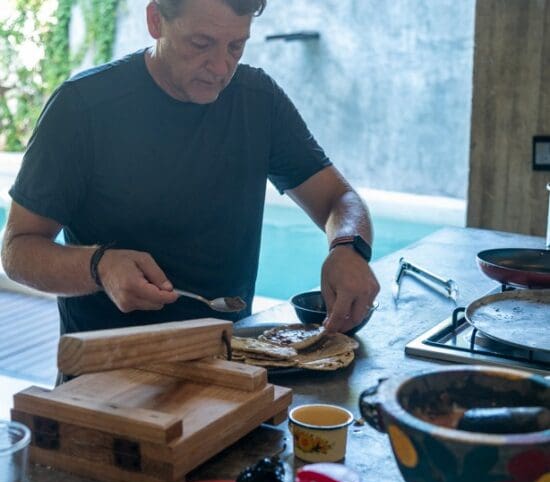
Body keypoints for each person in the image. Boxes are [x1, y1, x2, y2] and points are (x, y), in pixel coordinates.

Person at [1, 0, 379, 337]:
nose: (221, 67)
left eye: (236, 46)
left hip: (230, 362)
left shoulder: (258, 101)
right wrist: (99, 266)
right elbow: (17, 251)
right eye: (201, 44)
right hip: (106, 370)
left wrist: (348, 248)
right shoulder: (82, 108)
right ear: (155, 21)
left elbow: (338, 198)